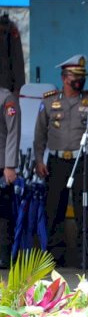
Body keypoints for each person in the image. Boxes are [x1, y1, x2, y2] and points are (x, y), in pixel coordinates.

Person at [33, 55, 88, 267]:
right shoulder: (49, 101)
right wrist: (39, 160)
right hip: (56, 163)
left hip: (82, 161)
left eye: (82, 77)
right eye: (76, 77)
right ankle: (55, 255)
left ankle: (84, 254)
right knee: (54, 209)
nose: (80, 81)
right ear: (65, 78)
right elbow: (39, 136)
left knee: (84, 208)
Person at [0, 85, 20, 268]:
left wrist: (10, 165)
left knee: (3, 212)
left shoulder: (6, 98)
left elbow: (13, 132)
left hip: (2, 164)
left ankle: (3, 255)